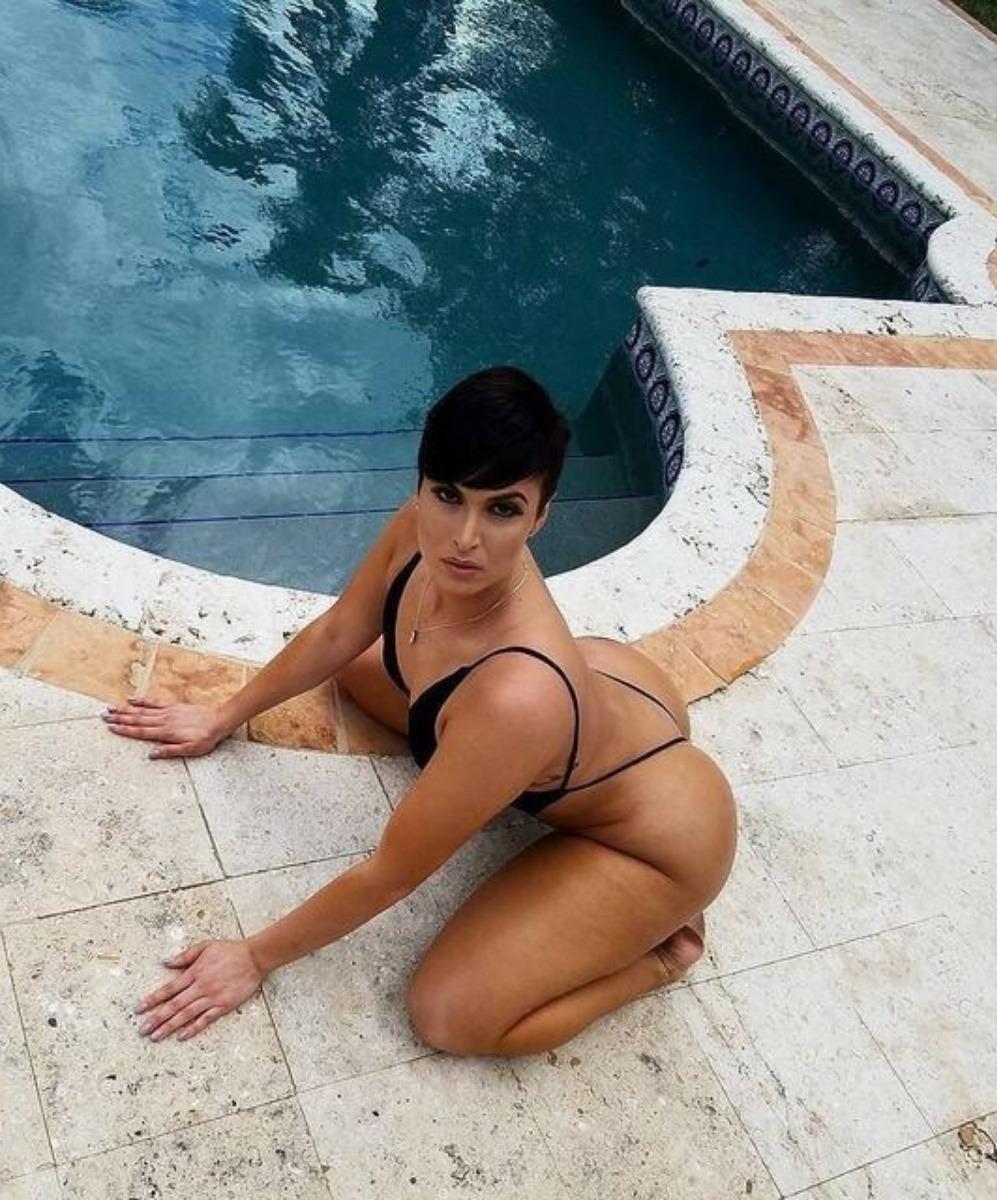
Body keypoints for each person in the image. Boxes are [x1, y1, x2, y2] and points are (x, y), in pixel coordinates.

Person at [103, 366, 735, 1057]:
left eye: (503, 510)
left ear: (541, 516)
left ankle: (661, 954)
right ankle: (522, 765)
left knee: (449, 1016)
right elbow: (339, 632)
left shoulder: (516, 694)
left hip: (656, 838)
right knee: (358, 667)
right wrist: (223, 716)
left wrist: (255, 956)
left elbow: (393, 870)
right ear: (422, 484)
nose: (464, 537)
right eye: (447, 495)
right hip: (615, 689)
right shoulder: (418, 530)